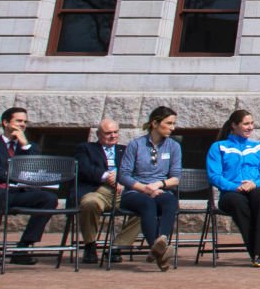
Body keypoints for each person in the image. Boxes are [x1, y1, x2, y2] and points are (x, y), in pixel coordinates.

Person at [0, 106, 56, 267]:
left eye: (25, 121)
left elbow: (35, 169)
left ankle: (23, 248)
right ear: (6, 122)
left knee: (49, 199)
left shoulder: (30, 148)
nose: (22, 124)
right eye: (18, 121)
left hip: (18, 193)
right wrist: (17, 176)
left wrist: (24, 145)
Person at [208, 109, 260, 267]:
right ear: (234, 125)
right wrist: (235, 187)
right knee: (240, 204)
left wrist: (254, 183)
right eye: (246, 124)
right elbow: (214, 176)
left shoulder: (259, 147)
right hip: (230, 193)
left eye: (251, 123)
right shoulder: (219, 147)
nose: (250, 127)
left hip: (253, 188)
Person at [118, 105, 183, 270]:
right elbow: (124, 175)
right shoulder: (136, 145)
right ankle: (160, 249)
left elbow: (176, 178)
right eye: (168, 123)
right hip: (135, 192)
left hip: (160, 189)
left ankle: (160, 242)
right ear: (155, 123)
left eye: (173, 124)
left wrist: (159, 184)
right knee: (147, 204)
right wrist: (144, 188)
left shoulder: (174, 147)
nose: (172, 128)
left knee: (169, 202)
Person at [75, 118, 139, 264]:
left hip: (123, 192)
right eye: (108, 133)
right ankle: (90, 245)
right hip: (98, 191)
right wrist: (107, 176)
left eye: (115, 132)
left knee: (146, 207)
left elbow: (136, 170)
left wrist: (122, 178)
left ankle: (117, 247)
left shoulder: (126, 150)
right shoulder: (86, 148)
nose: (113, 136)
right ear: (98, 134)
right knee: (89, 203)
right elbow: (84, 168)